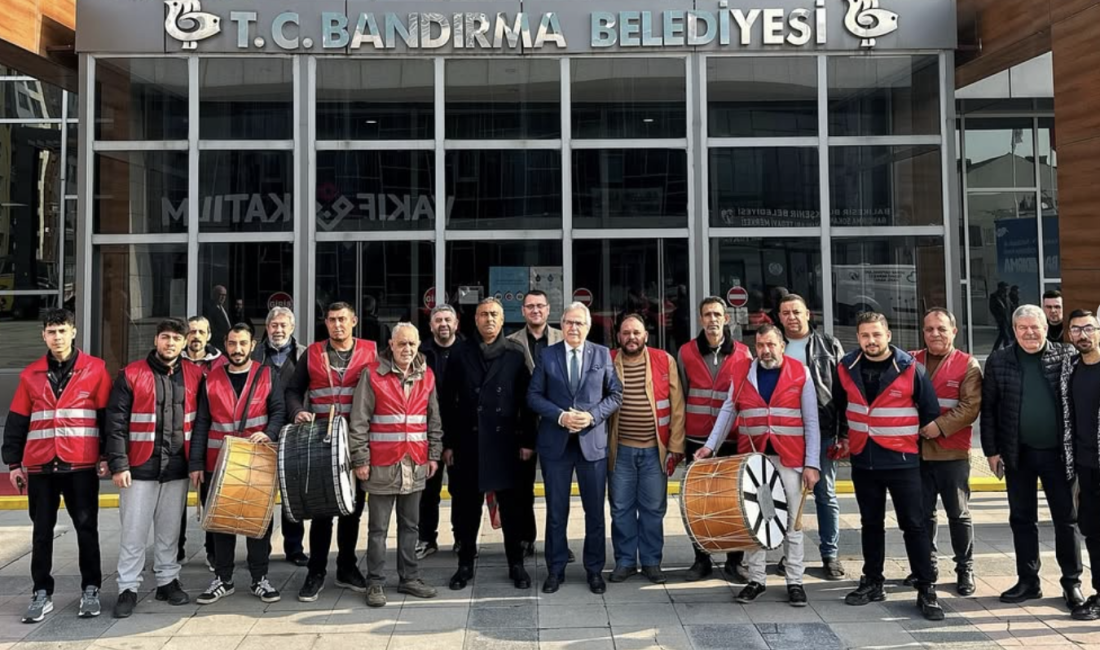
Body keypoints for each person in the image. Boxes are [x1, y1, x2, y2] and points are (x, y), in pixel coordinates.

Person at [696, 324, 820, 607]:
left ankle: (795, 581)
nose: (766, 351)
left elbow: (811, 421)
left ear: (782, 346)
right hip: (753, 458)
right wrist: (710, 446)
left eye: (771, 345)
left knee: (792, 522)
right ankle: (756, 579)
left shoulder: (801, 372)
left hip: (790, 458)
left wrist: (812, 464)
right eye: (761, 345)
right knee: (754, 520)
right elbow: (729, 410)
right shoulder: (741, 372)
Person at [2, 309, 111, 623]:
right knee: (41, 534)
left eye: (63, 330)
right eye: (51, 331)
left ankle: (90, 588)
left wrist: (105, 457)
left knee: (86, 530)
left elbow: (105, 418)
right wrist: (13, 463)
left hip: (80, 465)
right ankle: (41, 592)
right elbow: (17, 423)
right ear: (43, 335)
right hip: (40, 468)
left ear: (74, 332)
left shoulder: (96, 369)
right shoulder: (30, 375)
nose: (57, 337)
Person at [835, 312, 944, 621]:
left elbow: (930, 412)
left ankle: (926, 588)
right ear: (857, 338)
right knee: (870, 525)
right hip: (863, 459)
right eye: (865, 336)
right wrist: (842, 438)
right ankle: (873, 581)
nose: (871, 341)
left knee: (914, 525)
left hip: (902, 462)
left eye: (876, 335)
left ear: (888, 335)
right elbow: (839, 408)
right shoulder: (845, 367)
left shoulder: (911, 369)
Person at [981, 304, 1083, 610]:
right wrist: (991, 451)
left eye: (1035, 326)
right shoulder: (999, 360)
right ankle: (1028, 581)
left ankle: (1072, 583)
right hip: (1017, 454)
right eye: (1022, 327)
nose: (1029, 332)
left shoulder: (1066, 356)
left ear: (1045, 326)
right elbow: (989, 410)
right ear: (1014, 330)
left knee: (1066, 521)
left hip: (1058, 455)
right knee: (1022, 519)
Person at [106, 318, 203, 618]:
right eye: (165, 337)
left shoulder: (196, 374)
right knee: (133, 532)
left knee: (169, 531)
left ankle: (167, 581)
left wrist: (196, 463)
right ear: (155, 340)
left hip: (177, 466)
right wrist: (119, 464)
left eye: (176, 338)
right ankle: (128, 588)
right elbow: (116, 422)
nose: (170, 343)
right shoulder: (131, 374)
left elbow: (201, 423)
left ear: (185, 343)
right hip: (139, 467)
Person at [528, 302, 623, 595]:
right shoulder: (548, 355)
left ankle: (594, 570)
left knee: (594, 512)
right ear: (561, 324)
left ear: (588, 326)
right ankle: (555, 570)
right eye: (568, 322)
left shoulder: (602, 354)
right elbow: (533, 395)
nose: (573, 328)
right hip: (556, 445)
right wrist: (560, 415)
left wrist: (593, 416)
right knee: (556, 512)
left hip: (591, 445)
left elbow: (616, 394)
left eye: (579, 323)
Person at [285, 302, 378, 602]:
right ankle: (316, 571)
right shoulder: (311, 353)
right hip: (320, 441)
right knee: (322, 509)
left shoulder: (371, 351)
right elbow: (292, 390)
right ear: (325, 323)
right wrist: (298, 411)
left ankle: (347, 567)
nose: (337, 325)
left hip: (357, 439)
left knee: (352, 508)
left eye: (343, 319)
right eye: (332, 320)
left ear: (354, 320)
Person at [189, 323, 286, 605]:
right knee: (221, 523)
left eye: (243, 343)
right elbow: (202, 422)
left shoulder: (267, 375)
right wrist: (195, 462)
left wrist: (268, 433)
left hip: (257, 461)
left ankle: (260, 578)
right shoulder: (211, 379)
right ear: (225, 344)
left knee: (258, 522)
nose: (237, 349)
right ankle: (223, 579)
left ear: (253, 344)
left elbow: (278, 411)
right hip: (217, 462)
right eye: (232, 344)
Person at [442, 298, 535, 590]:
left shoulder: (515, 354)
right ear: (475, 319)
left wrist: (528, 441)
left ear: (503, 319)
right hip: (469, 442)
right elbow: (447, 403)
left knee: (512, 509)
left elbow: (527, 403)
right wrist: (448, 444)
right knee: (467, 510)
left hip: (506, 443)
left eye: (494, 314)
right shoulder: (460, 353)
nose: (489, 319)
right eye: (483, 314)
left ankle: (516, 564)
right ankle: (465, 564)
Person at [349, 323, 442, 607]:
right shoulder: (372, 375)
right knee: (378, 529)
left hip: (415, 462)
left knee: (411, 526)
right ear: (391, 344)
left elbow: (433, 419)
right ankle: (375, 582)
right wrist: (360, 459)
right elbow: (359, 421)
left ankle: (409, 578)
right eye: (402, 344)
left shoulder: (426, 375)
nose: (407, 349)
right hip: (381, 464)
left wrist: (434, 454)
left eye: (412, 344)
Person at [676, 296, 752, 583]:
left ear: (727, 318)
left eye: (717, 314)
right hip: (697, 439)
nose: (712, 319)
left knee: (733, 499)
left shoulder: (744, 354)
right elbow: (680, 395)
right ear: (700, 319)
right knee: (699, 501)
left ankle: (735, 561)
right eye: (707, 314)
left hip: (731, 438)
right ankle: (701, 559)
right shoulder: (685, 352)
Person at [607, 314, 685, 585]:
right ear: (619, 336)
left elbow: (677, 406)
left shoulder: (664, 360)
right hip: (621, 451)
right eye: (626, 333)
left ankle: (652, 562)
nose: (631, 337)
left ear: (646, 335)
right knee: (620, 509)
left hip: (655, 451)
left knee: (653, 509)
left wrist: (675, 447)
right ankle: (625, 561)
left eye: (636, 332)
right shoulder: (607, 360)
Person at [776, 293, 847, 580]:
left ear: (808, 314)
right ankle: (789, 555)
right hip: (786, 434)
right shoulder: (775, 346)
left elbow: (842, 393)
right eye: (785, 313)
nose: (791, 317)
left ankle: (830, 554)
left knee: (824, 494)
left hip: (824, 430)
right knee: (786, 495)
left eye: (796, 311)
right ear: (779, 317)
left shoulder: (828, 345)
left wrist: (844, 433)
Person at [507, 289, 565, 560]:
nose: (535, 310)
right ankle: (525, 538)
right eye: (530, 306)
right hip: (524, 427)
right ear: (522, 311)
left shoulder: (564, 339)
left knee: (558, 489)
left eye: (540, 306)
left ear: (548, 309)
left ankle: (559, 544)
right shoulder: (509, 343)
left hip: (557, 425)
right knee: (522, 488)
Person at [252, 306, 309, 566]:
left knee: (292, 494)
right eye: (274, 325)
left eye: (283, 325)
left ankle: (294, 548)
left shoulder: (304, 355)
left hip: (294, 434)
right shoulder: (254, 354)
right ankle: (260, 548)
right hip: (261, 434)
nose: (278, 330)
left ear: (292, 328)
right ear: (267, 328)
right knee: (261, 494)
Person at [178, 315, 226, 568]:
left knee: (211, 500)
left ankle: (213, 552)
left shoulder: (222, 364)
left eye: (201, 332)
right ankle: (176, 550)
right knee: (174, 503)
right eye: (192, 331)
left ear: (209, 335)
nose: (196, 336)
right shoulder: (174, 362)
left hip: (210, 440)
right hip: (176, 439)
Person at [416, 304, 463, 560]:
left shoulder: (468, 352)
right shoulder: (419, 353)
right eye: (438, 320)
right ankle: (426, 538)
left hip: (459, 434)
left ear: (456, 324)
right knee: (427, 491)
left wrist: (452, 442)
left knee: (460, 491)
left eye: (448, 319)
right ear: (431, 325)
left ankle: (460, 538)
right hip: (425, 434)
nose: (443, 324)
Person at [1064, 311, 1100, 620]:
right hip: (1085, 465)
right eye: (1076, 329)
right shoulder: (1072, 368)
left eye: (1089, 328)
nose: (1083, 334)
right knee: (1092, 530)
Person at [205, 286, 232, 351]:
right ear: (215, 295)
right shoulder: (210, 309)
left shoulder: (223, 309)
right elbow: (211, 328)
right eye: (221, 295)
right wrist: (224, 337)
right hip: (217, 345)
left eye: (224, 295)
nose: (223, 297)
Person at [990, 282, 1012, 351]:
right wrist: (998, 317)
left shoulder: (1006, 297)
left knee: (1002, 336)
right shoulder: (994, 297)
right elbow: (993, 308)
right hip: (1001, 320)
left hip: (1007, 319)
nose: (1006, 291)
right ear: (1000, 288)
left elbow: (1010, 307)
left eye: (1007, 289)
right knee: (1006, 336)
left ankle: (995, 350)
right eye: (1005, 289)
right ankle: (1008, 350)